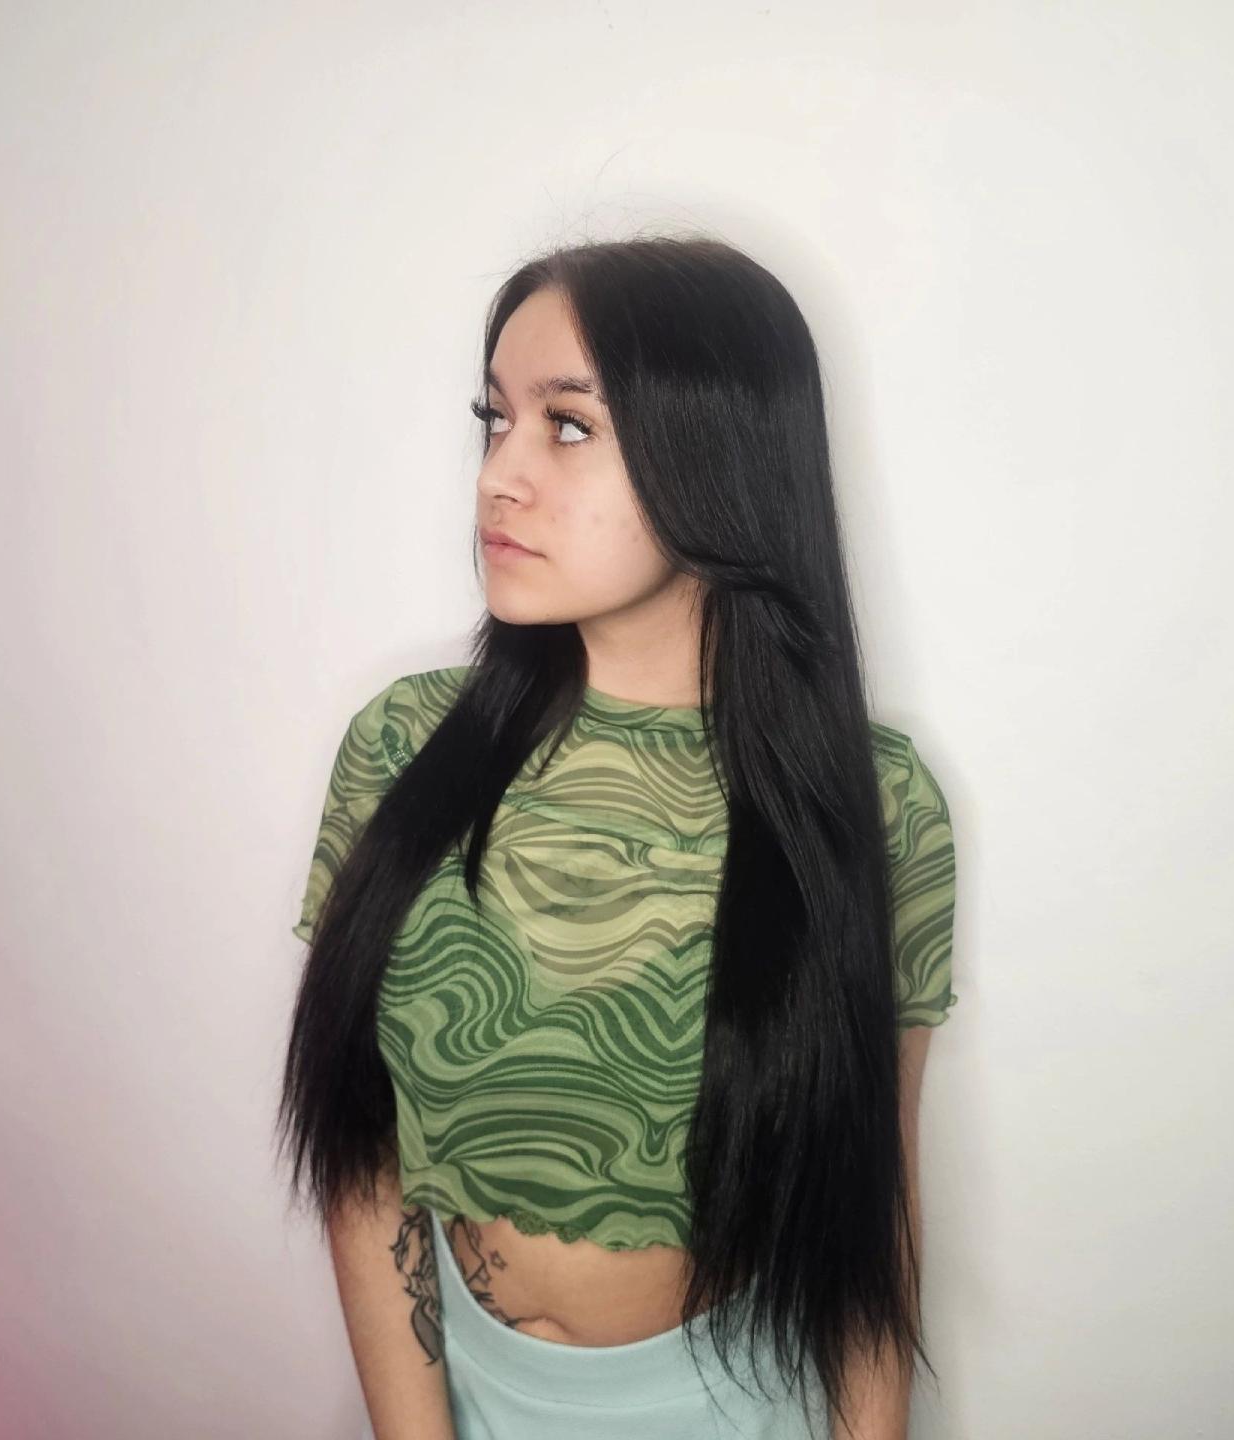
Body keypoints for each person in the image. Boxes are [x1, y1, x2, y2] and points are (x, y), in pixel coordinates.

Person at [277, 233, 959, 1440]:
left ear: (719, 457)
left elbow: (872, 1203)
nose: (500, 476)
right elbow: (363, 1155)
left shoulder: (874, 802)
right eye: (494, 420)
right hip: (464, 1397)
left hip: (746, 1407)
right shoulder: (405, 750)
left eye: (567, 425)